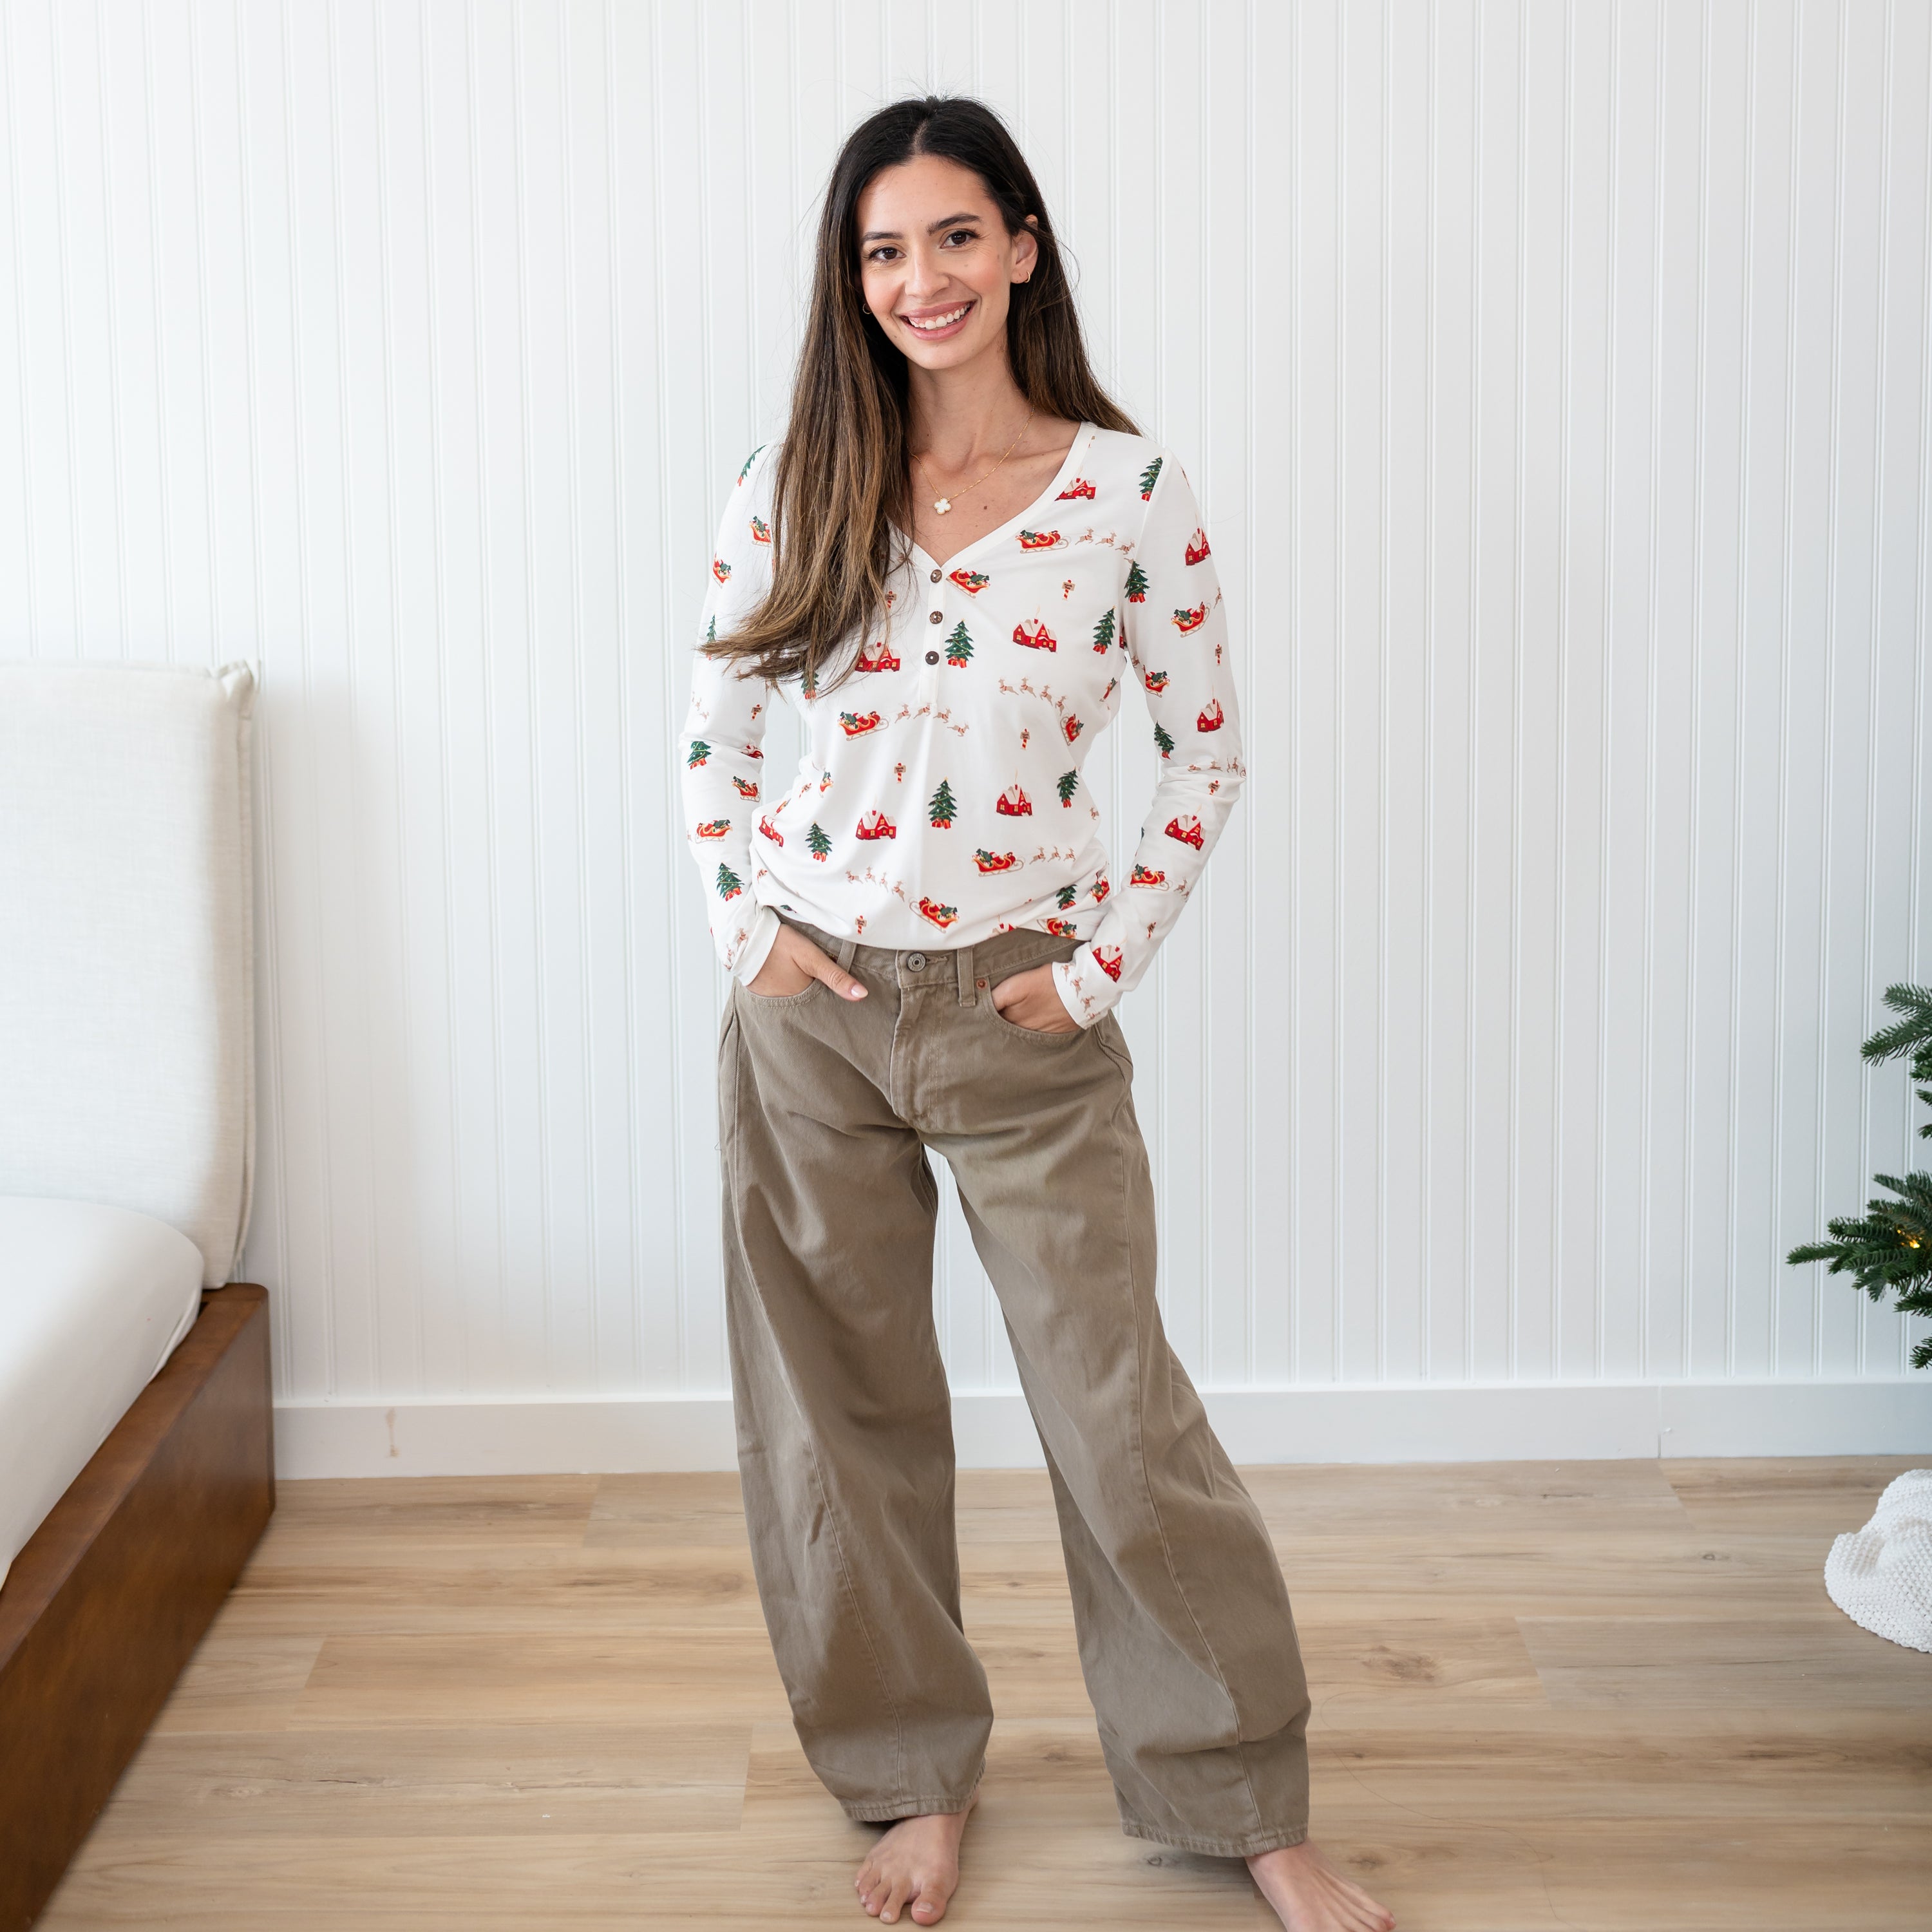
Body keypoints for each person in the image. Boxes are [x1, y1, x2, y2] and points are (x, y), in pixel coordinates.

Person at [677, 94, 1394, 1932]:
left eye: (952, 238)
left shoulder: (1129, 496)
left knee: (1113, 1412)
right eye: (882, 250)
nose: (920, 279)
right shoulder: (791, 481)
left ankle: (1243, 1797)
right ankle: (910, 1780)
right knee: (836, 1422)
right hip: (812, 1015)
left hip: (1023, 1019)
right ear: (858, 278)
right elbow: (718, 733)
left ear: (1021, 248)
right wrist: (746, 928)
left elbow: (1206, 752)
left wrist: (1090, 974)